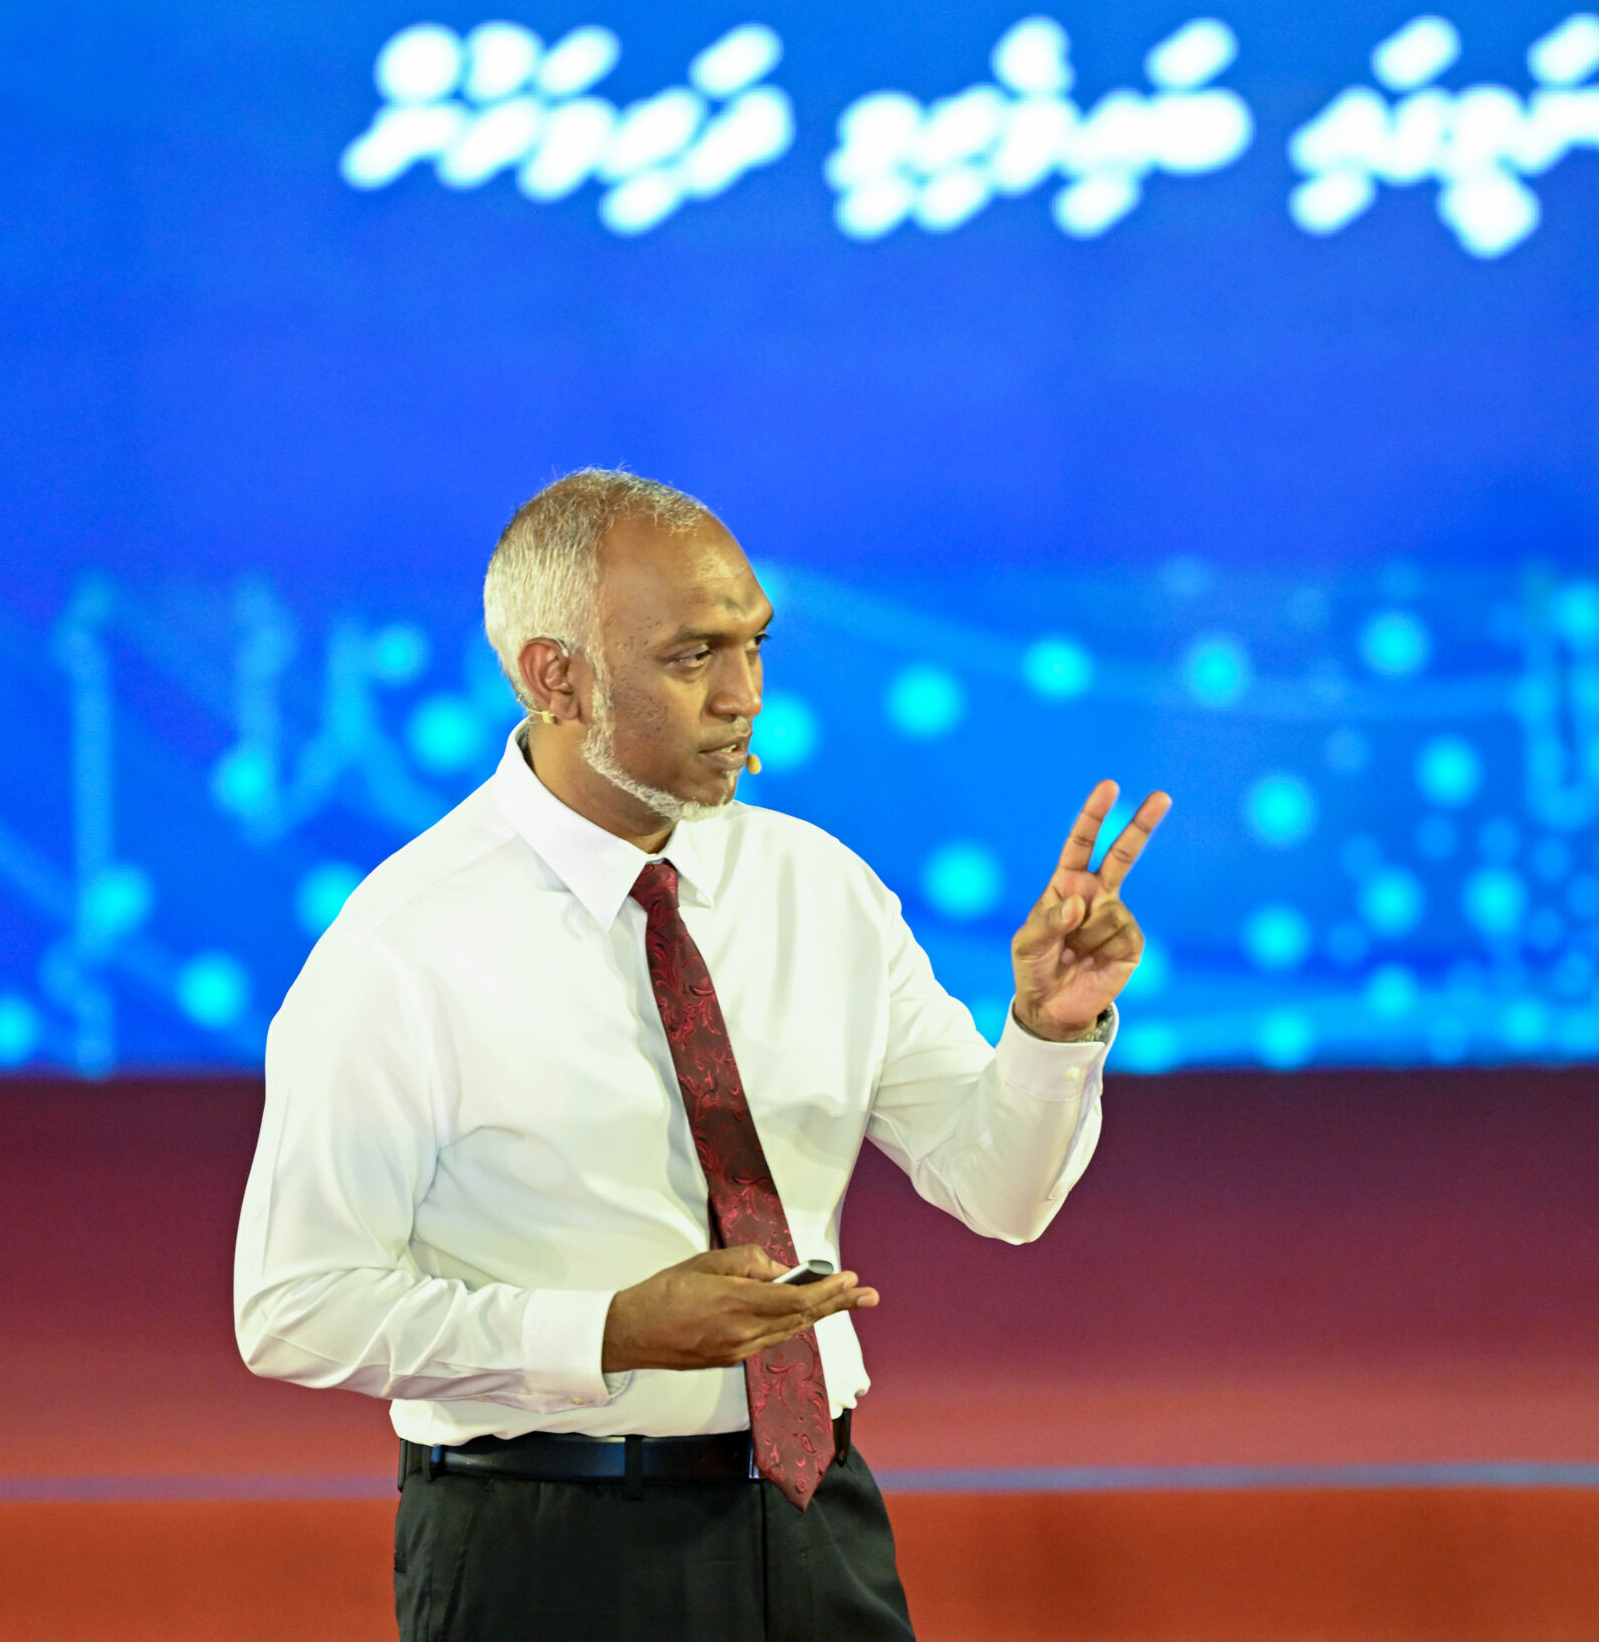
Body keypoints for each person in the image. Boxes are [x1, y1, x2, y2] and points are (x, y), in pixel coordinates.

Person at [233, 469, 1169, 1641]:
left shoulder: (818, 887)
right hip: (543, 1550)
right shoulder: (403, 947)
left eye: (754, 645)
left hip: (817, 1521)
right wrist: (607, 1332)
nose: (744, 697)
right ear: (554, 677)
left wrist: (1047, 1031)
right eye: (692, 658)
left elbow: (1003, 1193)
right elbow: (294, 1308)